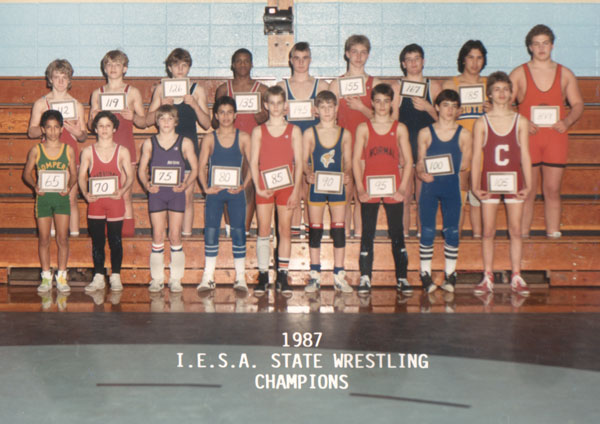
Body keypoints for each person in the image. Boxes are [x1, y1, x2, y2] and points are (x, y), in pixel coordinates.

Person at [509, 24, 584, 238]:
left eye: (545, 43)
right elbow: (503, 104)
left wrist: (568, 121)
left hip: (555, 137)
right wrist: (521, 120)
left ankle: (554, 235)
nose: (541, 48)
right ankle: (522, 238)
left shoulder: (565, 73)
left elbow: (578, 104)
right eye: (536, 44)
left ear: (552, 45)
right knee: (529, 191)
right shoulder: (519, 73)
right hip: (529, 139)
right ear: (530, 47)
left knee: (552, 190)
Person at [471, 72, 532, 296]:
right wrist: (475, 186)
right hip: (489, 181)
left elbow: (525, 154)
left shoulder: (520, 121)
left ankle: (516, 275)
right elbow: (476, 156)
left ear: (511, 93)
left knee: (515, 230)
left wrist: (529, 183)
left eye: (505, 89)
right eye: (496, 89)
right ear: (489, 93)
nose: (501, 93)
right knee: (488, 231)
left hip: (514, 181)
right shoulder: (482, 122)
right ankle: (488, 275)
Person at [353, 83, 413, 296]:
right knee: (367, 232)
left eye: (386, 101)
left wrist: (403, 188)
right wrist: (360, 189)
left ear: (392, 103)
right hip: (369, 189)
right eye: (377, 101)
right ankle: (365, 277)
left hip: (393, 188)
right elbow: (356, 161)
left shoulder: (400, 128)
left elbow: (408, 161)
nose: (381, 105)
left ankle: (402, 278)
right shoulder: (363, 128)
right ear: (372, 102)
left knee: (397, 233)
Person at [147, 48, 211, 236]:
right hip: (164, 149)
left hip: (187, 148)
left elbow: (206, 124)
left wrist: (194, 105)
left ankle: (186, 237)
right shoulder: (161, 89)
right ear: (169, 68)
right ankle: (166, 236)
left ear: (189, 67)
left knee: (186, 195)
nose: (180, 69)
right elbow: (148, 120)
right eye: (176, 65)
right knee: (165, 195)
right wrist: (161, 104)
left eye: (184, 65)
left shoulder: (196, 90)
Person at [330, 35, 388, 239]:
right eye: (354, 52)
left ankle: (362, 238)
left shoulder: (376, 83)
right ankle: (344, 237)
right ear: (347, 54)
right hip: (344, 148)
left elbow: (385, 119)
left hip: (367, 149)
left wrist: (362, 108)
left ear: (368, 55)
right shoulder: (337, 85)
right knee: (344, 194)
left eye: (363, 52)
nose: (358, 56)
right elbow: (329, 121)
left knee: (362, 196)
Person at [415, 89, 472, 293]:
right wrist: (422, 173)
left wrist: (447, 168)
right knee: (428, 230)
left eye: (454, 106)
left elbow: (464, 165)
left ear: (458, 110)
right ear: (437, 107)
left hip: (451, 187)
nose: (449, 110)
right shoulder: (425, 133)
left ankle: (450, 273)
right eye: (445, 105)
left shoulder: (464, 134)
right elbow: (419, 163)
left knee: (452, 231)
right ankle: (425, 273)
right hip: (430, 186)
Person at [249, 85, 303, 297]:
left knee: (284, 230)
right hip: (264, 187)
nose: (276, 107)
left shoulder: (294, 130)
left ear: (285, 105)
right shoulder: (258, 130)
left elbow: (298, 162)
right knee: (263, 230)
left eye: (279, 103)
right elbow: (253, 162)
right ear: (265, 105)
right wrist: (258, 187)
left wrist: (296, 191)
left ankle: (282, 275)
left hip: (287, 188)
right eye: (271, 103)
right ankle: (263, 275)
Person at [138, 105, 198, 292]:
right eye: (162, 118)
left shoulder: (185, 142)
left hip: (175, 194)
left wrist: (185, 185)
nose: (165, 122)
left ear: (176, 121)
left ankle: (175, 278)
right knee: (157, 234)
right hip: (157, 194)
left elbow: (195, 169)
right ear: (156, 121)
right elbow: (140, 169)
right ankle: (156, 278)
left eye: (169, 118)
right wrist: (147, 185)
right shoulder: (149, 143)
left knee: (174, 235)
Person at [89, 50, 146, 237]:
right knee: (104, 196)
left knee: (124, 194)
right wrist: (93, 116)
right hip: (103, 151)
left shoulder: (132, 92)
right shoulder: (98, 93)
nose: (113, 68)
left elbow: (143, 122)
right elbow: (91, 126)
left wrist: (134, 116)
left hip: (125, 148)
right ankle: (107, 237)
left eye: (117, 64)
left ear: (125, 68)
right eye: (110, 65)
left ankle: (126, 237)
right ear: (104, 68)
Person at [197, 96, 252, 292]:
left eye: (230, 112)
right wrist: (205, 188)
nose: (226, 116)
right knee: (211, 231)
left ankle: (240, 278)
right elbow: (200, 165)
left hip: (236, 192)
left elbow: (253, 166)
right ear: (216, 115)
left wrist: (243, 186)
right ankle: (208, 276)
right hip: (215, 192)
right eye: (222, 112)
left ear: (235, 114)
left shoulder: (244, 137)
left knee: (238, 231)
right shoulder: (210, 138)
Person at [28, 59, 87, 236]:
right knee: (50, 198)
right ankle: (52, 237)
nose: (61, 81)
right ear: (50, 79)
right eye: (57, 77)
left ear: (70, 80)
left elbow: (83, 136)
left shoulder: (76, 105)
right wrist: (47, 128)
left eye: (64, 77)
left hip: (69, 153)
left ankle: (74, 239)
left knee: (70, 199)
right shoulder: (41, 103)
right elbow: (31, 131)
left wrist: (77, 131)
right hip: (48, 154)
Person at [302, 90, 353, 293]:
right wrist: (308, 174)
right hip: (317, 186)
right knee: (315, 229)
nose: (326, 111)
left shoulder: (345, 133)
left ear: (336, 109)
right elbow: (305, 161)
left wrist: (347, 173)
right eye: (322, 107)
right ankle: (315, 275)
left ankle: (339, 274)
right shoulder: (309, 133)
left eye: (330, 107)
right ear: (316, 110)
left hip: (337, 186)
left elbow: (348, 162)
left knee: (338, 229)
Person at [78, 111, 134, 293]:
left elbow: (130, 177)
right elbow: (81, 177)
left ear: (114, 128)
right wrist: (85, 194)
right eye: (100, 126)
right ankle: (99, 276)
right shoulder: (88, 151)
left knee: (116, 240)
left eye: (108, 126)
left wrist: (123, 191)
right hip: (96, 202)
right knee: (98, 241)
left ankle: (116, 276)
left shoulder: (122, 151)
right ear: (95, 128)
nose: (104, 129)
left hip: (115, 201)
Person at [23, 110, 77, 293]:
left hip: (61, 199)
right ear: (43, 130)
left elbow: (75, 175)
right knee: (44, 239)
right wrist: (34, 186)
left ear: (61, 129)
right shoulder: (36, 150)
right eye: (49, 128)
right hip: (44, 199)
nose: (53, 131)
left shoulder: (67, 150)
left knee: (63, 238)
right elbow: (26, 173)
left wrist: (69, 186)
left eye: (56, 127)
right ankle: (46, 276)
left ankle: (62, 274)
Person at [277, 42, 328, 238]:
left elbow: (333, 116)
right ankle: (294, 229)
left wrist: (320, 112)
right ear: (290, 60)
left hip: (313, 145)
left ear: (310, 60)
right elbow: (272, 116)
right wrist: (281, 113)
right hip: (290, 146)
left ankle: (310, 228)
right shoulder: (282, 87)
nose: (300, 62)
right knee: (293, 190)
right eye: (296, 58)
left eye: (304, 58)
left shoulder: (321, 86)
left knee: (309, 188)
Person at [216, 49, 269, 234]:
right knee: (226, 185)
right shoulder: (224, 89)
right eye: (238, 61)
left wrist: (262, 115)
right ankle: (230, 227)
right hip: (228, 143)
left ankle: (244, 228)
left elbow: (271, 120)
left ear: (252, 64)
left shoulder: (262, 90)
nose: (242, 64)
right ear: (232, 64)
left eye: (246, 61)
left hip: (252, 145)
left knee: (248, 187)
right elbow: (215, 121)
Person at [443, 40, 489, 238]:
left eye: (479, 57)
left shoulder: (490, 85)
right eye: (470, 57)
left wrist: (494, 110)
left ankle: (479, 244)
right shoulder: (451, 84)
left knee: (479, 198)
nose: (474, 62)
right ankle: (455, 242)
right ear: (463, 59)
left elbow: (505, 116)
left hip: (484, 148)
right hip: (458, 148)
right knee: (458, 199)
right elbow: (440, 117)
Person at [398, 44, 442, 238]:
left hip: (427, 150)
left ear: (423, 61)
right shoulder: (397, 87)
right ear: (403, 64)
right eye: (409, 59)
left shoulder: (434, 87)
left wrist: (428, 107)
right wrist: (397, 149)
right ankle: (403, 236)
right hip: (404, 149)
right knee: (404, 196)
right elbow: (391, 122)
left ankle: (424, 236)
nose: (413, 63)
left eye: (417, 58)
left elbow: (444, 121)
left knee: (424, 197)